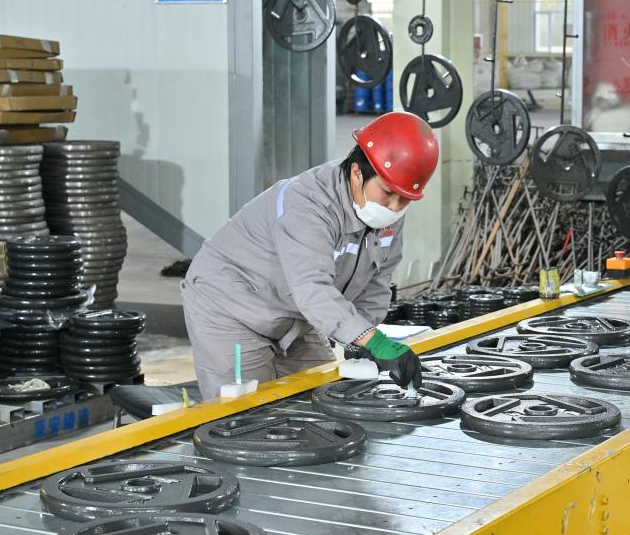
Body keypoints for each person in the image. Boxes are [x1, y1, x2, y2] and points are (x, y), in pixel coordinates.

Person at [181, 112, 438, 399]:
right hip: (232, 308)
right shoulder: (308, 205)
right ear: (357, 172)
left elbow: (377, 281)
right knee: (249, 412)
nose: (394, 206)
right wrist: (374, 342)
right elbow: (312, 287)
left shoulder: (388, 213)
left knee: (325, 397)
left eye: (405, 198)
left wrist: (361, 337)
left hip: (296, 315)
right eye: (388, 192)